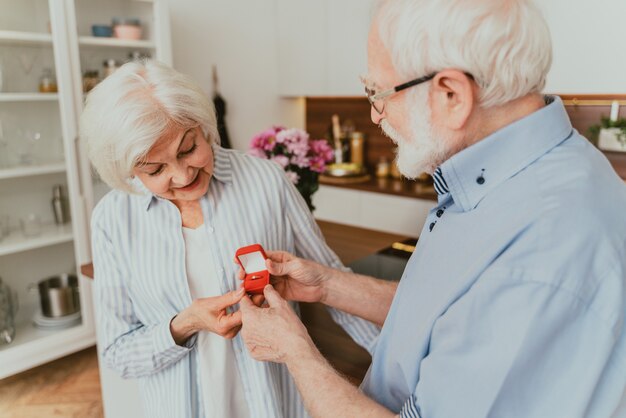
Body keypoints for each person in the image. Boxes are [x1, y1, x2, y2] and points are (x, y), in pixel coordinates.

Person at [238, 0, 626, 417]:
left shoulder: (543, 251)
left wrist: (295, 350)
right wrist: (326, 286)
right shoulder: (512, 178)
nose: (374, 114)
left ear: (451, 95)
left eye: (378, 92)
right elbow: (453, 316)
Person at [81, 60, 379, 418]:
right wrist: (185, 323)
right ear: (127, 169)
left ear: (205, 127)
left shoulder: (265, 180)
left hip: (276, 404)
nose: (181, 175)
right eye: (155, 169)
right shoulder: (113, 218)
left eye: (188, 148)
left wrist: (401, 362)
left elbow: (329, 281)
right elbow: (119, 352)